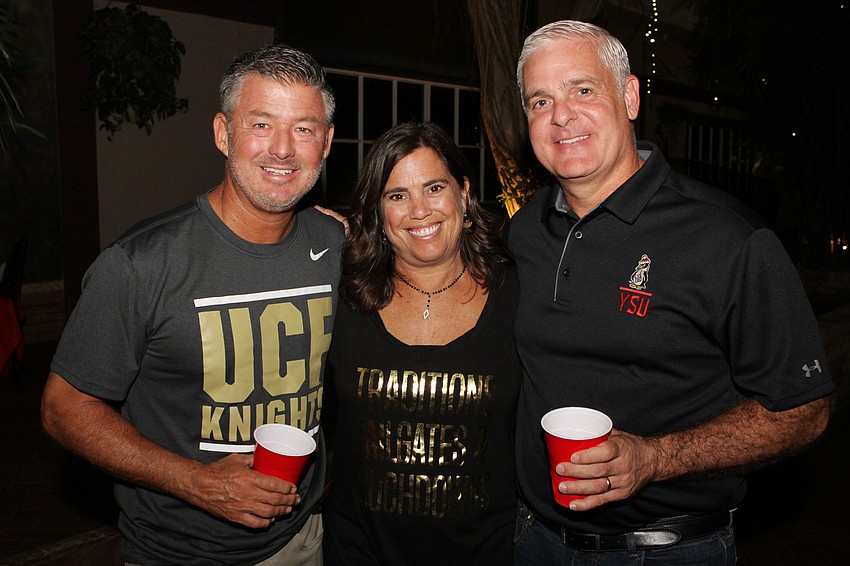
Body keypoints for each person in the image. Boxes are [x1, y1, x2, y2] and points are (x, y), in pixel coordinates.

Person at [505, 20, 835, 565]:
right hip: (533, 540)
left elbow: (803, 410)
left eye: (582, 89)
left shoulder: (726, 238)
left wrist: (655, 458)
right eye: (541, 101)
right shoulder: (525, 229)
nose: (561, 115)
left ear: (630, 96)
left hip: (668, 551)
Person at [41, 44, 342, 565]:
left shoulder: (338, 246)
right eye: (261, 124)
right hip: (176, 552)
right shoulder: (140, 264)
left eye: (304, 129)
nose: (283, 149)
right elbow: (63, 409)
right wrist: (197, 483)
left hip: (301, 543)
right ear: (223, 133)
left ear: (327, 142)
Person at [321, 122, 520, 565]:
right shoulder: (342, 294)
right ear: (378, 211)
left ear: (463, 193)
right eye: (397, 196)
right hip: (360, 552)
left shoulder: (517, 293)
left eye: (434, 188)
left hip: (486, 553)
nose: (419, 211)